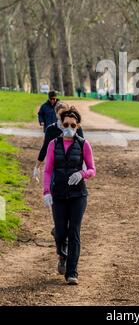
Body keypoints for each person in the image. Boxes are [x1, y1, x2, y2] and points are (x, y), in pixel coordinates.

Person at [43, 107, 96, 285]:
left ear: (77, 126)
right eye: (65, 124)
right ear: (60, 124)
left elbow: (92, 169)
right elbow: (48, 170)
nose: (69, 128)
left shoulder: (83, 144)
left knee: (73, 232)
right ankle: (62, 255)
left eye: (73, 125)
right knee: (60, 232)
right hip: (58, 194)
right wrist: (46, 191)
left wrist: (82, 174)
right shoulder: (53, 144)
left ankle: (72, 272)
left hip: (78, 195)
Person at [33, 101, 84, 182]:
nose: (62, 116)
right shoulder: (51, 129)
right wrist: (37, 167)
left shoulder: (77, 127)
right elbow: (45, 147)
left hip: (73, 165)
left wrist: (83, 168)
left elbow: (82, 147)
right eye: (60, 114)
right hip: (56, 165)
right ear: (56, 114)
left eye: (65, 113)